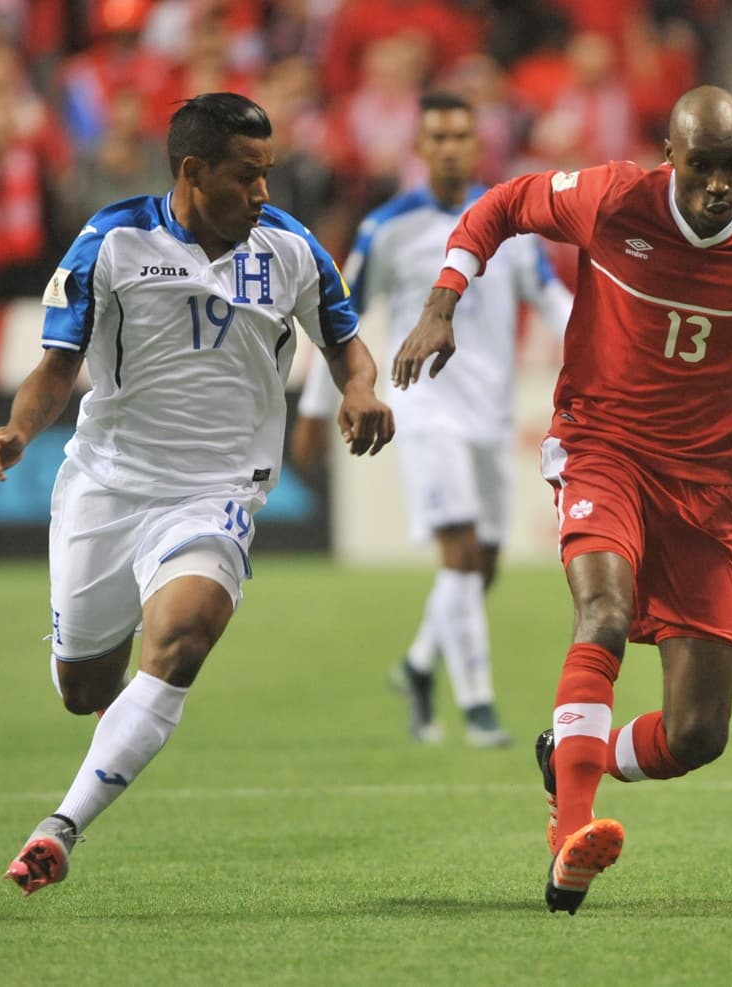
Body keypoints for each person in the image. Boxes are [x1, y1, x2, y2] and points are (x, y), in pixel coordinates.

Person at [392, 85, 732, 915]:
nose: (717, 185)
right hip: (602, 446)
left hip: (702, 486)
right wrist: (445, 301)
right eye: (701, 167)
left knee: (697, 734)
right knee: (604, 611)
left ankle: (575, 755)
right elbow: (501, 205)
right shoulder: (614, 199)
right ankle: (569, 838)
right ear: (670, 156)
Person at [0, 92, 395, 897]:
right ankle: (110, 688)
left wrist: (361, 391)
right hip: (109, 486)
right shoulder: (110, 241)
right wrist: (19, 431)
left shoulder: (290, 247)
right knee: (84, 690)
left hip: (217, 489)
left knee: (183, 637)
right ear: (193, 172)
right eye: (248, 176)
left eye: (269, 174)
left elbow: (345, 343)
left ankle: (59, 826)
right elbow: (58, 365)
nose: (264, 193)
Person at [291, 92, 572, 748]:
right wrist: (312, 406)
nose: (449, 147)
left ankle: (419, 666)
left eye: (461, 136)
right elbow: (340, 319)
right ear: (420, 148)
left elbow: (551, 297)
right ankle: (479, 707)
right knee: (461, 554)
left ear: (479, 146)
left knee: (484, 564)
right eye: (437, 137)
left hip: (491, 413)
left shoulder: (505, 222)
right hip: (424, 406)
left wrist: (604, 340)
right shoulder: (386, 225)